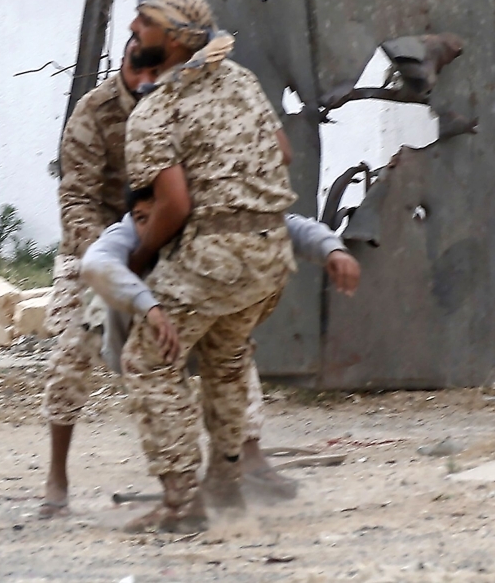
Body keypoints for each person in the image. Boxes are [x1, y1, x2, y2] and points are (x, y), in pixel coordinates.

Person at [120, 0, 298, 533]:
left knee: (147, 360)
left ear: (172, 40)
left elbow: (172, 204)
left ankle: (181, 503)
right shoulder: (243, 81)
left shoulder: (158, 110)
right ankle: (227, 483)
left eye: (142, 23)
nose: (132, 30)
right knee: (224, 360)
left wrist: (143, 258)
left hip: (212, 257)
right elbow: (284, 151)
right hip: (271, 254)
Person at [81, 185, 360, 499]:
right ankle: (182, 489)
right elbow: (98, 267)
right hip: (139, 330)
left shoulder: (206, 231)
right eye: (141, 218)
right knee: (159, 388)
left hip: (195, 320)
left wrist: (330, 249)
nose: (149, 226)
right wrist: (147, 306)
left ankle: (244, 462)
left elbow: (287, 226)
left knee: (234, 361)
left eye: (157, 216)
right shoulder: (128, 237)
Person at [39, 37, 163, 518]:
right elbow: (77, 200)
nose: (146, 78)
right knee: (72, 354)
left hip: (162, 235)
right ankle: (57, 476)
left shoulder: (182, 107)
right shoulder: (94, 113)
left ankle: (245, 458)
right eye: (138, 64)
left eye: (157, 66)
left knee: (225, 341)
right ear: (124, 62)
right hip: (95, 244)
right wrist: (107, 259)